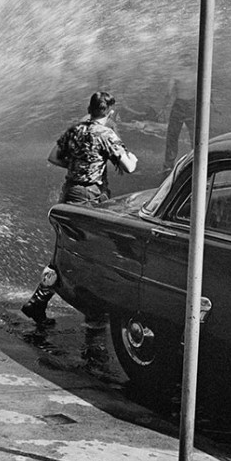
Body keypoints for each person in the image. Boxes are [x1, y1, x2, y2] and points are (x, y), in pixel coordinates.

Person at [24, 91, 137, 369]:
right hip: (92, 198)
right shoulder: (105, 134)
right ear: (109, 111)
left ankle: (39, 300)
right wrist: (129, 155)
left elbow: (53, 157)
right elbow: (129, 167)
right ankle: (93, 313)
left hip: (70, 193)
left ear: (89, 108)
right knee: (89, 253)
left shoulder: (75, 129)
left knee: (64, 249)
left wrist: (75, 166)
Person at [163, 60, 197, 173]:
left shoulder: (176, 75)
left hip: (179, 105)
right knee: (195, 134)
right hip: (192, 105)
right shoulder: (196, 74)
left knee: (172, 135)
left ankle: (169, 164)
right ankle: (197, 159)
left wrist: (163, 107)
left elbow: (168, 93)